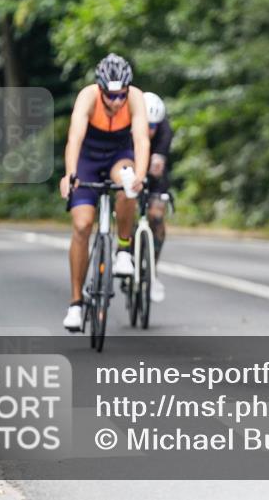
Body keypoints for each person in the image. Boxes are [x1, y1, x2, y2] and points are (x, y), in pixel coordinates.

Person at [59, 54, 150, 331]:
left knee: (127, 181)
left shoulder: (135, 98)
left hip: (117, 156)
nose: (117, 102)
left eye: (121, 95)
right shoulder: (87, 97)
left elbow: (142, 139)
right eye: (111, 96)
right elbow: (74, 137)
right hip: (88, 159)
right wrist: (70, 174)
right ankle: (76, 304)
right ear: (100, 89)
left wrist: (141, 175)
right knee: (82, 225)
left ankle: (124, 249)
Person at [143, 91, 173, 303]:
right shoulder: (128, 127)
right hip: (131, 169)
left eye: (154, 126)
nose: (150, 130)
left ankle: (152, 269)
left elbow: (158, 165)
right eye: (147, 125)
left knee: (156, 216)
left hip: (154, 173)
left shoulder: (164, 131)